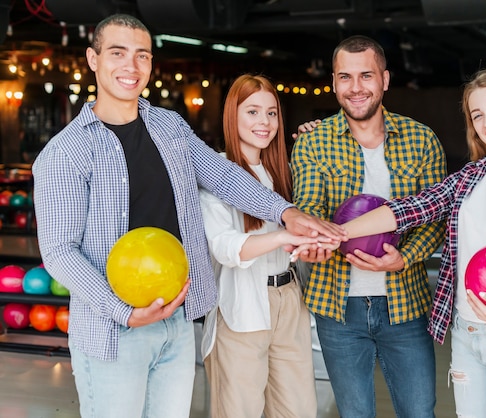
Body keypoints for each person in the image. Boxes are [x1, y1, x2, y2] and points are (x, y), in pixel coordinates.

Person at [31, 14, 342, 418]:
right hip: (112, 330)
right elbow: (59, 252)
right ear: (93, 59)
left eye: (142, 55)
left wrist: (284, 212)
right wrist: (125, 311)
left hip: (177, 321)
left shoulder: (169, 126)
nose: (131, 66)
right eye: (118, 53)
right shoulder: (65, 152)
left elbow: (224, 176)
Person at [307, 69, 486, 417]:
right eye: (477, 115)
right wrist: (338, 234)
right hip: (465, 333)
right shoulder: (470, 178)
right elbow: (409, 210)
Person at [290, 35, 447, 417]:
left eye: (366, 76)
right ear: (333, 82)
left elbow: (434, 218)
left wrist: (404, 258)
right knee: (355, 413)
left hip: (405, 304)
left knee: (419, 412)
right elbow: (309, 209)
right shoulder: (312, 143)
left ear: (385, 79)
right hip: (337, 308)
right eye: (345, 77)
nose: (356, 88)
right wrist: (315, 239)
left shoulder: (421, 139)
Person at [198, 74, 317, 418]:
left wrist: (315, 142)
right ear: (232, 115)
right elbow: (225, 247)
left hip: (289, 299)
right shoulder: (216, 172)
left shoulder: (286, 172)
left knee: (299, 410)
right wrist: (282, 235)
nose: (263, 122)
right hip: (241, 303)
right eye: (252, 112)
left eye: (271, 113)